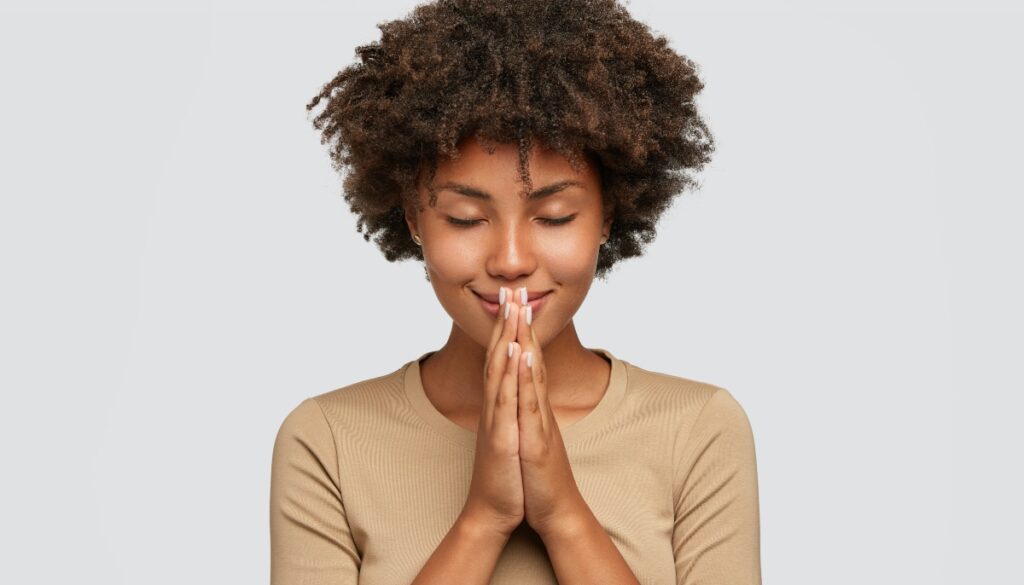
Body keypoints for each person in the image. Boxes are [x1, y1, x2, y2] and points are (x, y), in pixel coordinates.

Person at [270, 0, 762, 583]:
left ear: (608, 215)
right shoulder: (328, 441)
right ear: (411, 220)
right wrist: (485, 517)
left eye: (554, 217)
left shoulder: (697, 429)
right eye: (463, 218)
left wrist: (564, 515)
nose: (510, 261)